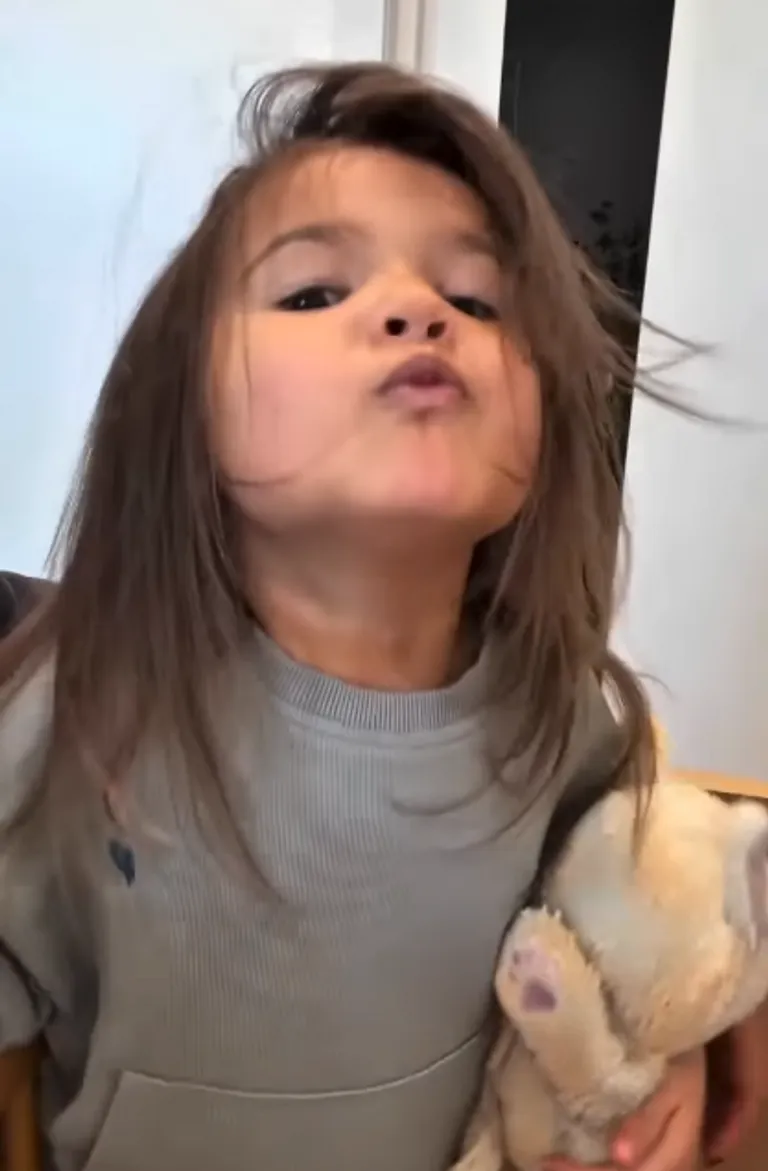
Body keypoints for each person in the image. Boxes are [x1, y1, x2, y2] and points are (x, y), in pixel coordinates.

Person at [0, 63, 762, 1171]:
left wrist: (673, 1044)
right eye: (313, 292)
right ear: (181, 407)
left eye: (479, 300)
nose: (419, 312)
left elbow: (635, 920)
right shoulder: (71, 711)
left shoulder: (567, 719)